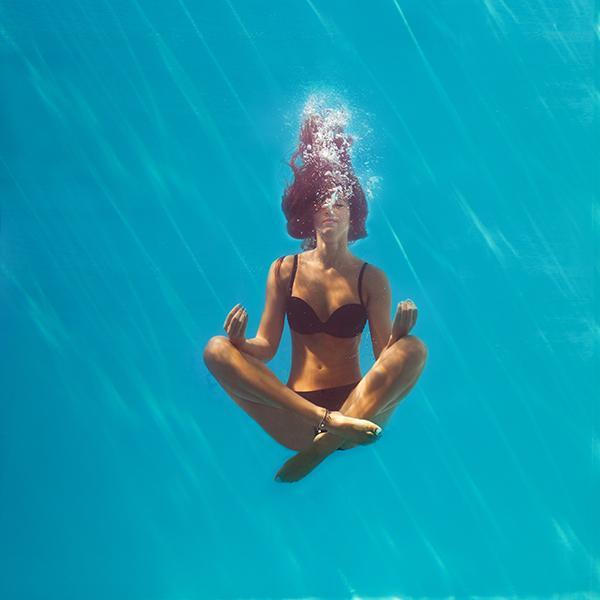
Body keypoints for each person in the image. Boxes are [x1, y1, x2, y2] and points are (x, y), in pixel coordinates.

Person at [203, 108, 428, 483]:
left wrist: (399, 336)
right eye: (321, 203)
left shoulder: (371, 278)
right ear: (308, 211)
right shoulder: (284, 269)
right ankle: (328, 427)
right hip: (299, 414)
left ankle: (326, 442)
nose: (329, 211)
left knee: (415, 349)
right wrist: (240, 342)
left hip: (359, 408)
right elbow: (266, 348)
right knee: (215, 348)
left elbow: (382, 356)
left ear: (351, 214)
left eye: (339, 203)